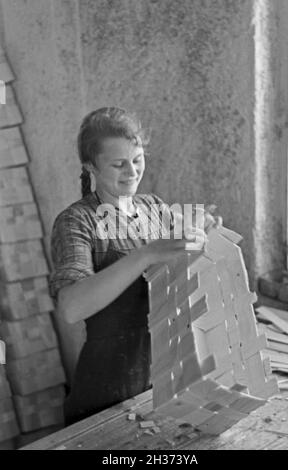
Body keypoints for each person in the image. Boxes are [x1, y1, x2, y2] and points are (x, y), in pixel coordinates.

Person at [49, 107, 212, 426]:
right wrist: (144, 255)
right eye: (118, 163)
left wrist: (201, 234)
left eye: (137, 159)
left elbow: (182, 266)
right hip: (106, 392)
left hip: (161, 380)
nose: (132, 171)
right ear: (90, 165)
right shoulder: (76, 221)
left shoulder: (153, 208)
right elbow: (71, 308)